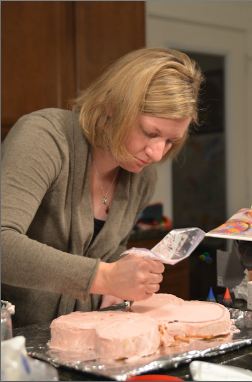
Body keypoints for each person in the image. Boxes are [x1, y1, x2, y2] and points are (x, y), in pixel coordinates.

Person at [1, 48, 203, 327]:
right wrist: (106, 276)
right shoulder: (45, 137)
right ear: (112, 106)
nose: (157, 154)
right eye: (150, 132)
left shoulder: (142, 179)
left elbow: (107, 254)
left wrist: (118, 279)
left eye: (170, 141)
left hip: (76, 342)